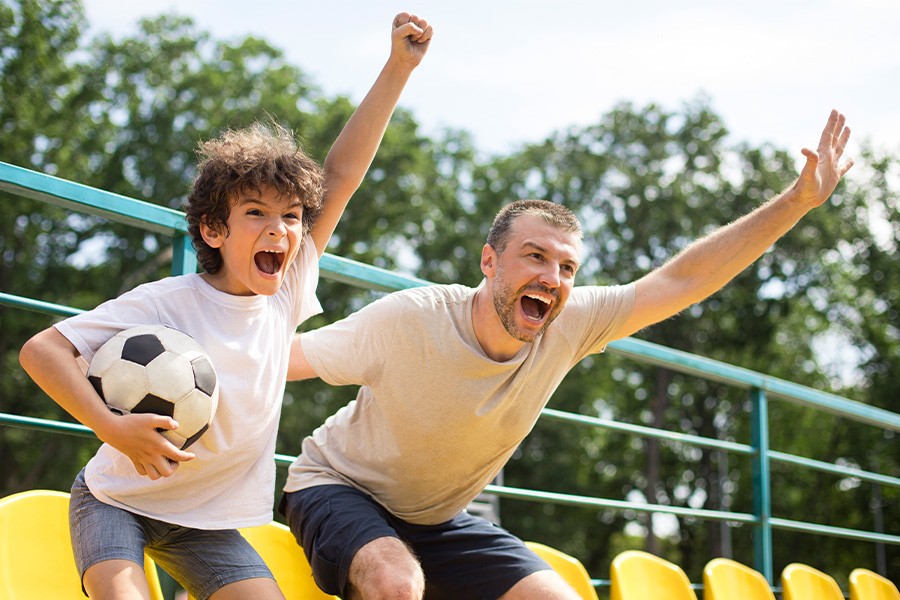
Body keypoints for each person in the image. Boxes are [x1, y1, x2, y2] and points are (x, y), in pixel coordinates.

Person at [279, 110, 853, 599]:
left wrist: (797, 201)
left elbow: (683, 280)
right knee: (396, 580)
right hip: (337, 487)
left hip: (435, 517)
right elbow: (279, 360)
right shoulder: (411, 319)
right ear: (489, 262)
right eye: (534, 256)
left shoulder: (569, 323)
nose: (551, 278)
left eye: (567, 267)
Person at [18, 12, 433, 600]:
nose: (281, 230)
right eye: (257, 214)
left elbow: (339, 175)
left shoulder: (286, 290)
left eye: (291, 216)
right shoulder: (166, 303)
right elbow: (43, 350)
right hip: (118, 503)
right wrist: (112, 427)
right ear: (213, 229)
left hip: (205, 524)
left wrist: (398, 67)